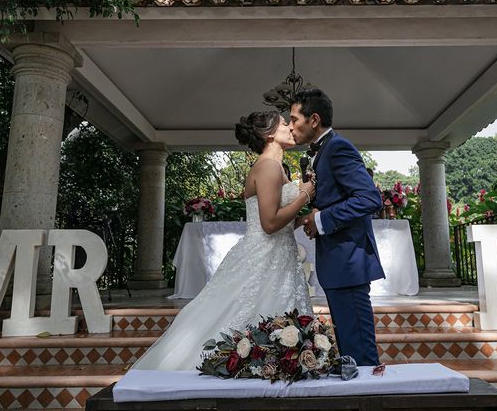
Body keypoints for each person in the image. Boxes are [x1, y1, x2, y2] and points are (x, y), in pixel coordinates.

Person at [131, 111, 315, 371]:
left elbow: (284, 222)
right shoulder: (267, 166)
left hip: (280, 256)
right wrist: (304, 196)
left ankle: (270, 369)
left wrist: (306, 216)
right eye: (285, 123)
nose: (291, 127)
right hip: (263, 255)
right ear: (270, 133)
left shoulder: (279, 168)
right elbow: (270, 223)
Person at [289, 89, 385, 366]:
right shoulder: (323, 150)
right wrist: (312, 214)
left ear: (314, 119)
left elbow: (369, 198)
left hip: (349, 264)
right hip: (338, 264)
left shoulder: (338, 148)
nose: (292, 125)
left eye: (295, 119)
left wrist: (320, 220)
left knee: (361, 354)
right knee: (349, 348)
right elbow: (337, 198)